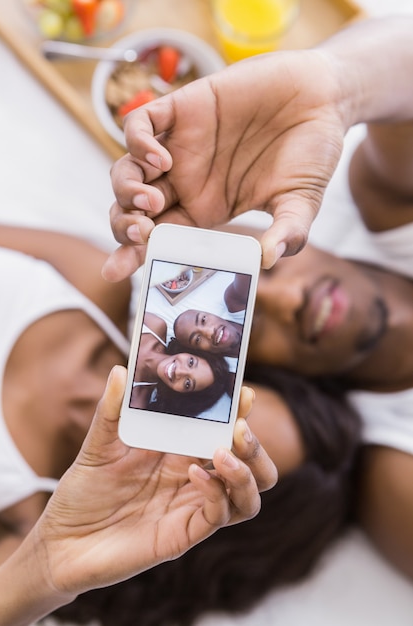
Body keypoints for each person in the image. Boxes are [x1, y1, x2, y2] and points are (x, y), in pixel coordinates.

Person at [104, 16, 413, 579]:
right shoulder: (395, 472)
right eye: (245, 329)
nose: (290, 300)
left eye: (259, 270)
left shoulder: (389, 200)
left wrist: (333, 85)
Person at [51, 364, 361, 626]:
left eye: (206, 461)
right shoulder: (113, 336)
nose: (179, 425)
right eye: (221, 413)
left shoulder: (43, 550)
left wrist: (47, 569)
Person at [0, 365, 277, 626]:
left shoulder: (25, 534)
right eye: (226, 420)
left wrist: (45, 572)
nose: (204, 452)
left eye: (213, 463)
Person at [130, 311, 230, 414]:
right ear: (190, 352)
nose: (179, 371)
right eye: (191, 362)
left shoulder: (136, 403)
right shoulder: (155, 326)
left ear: (181, 394)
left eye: (187, 383)